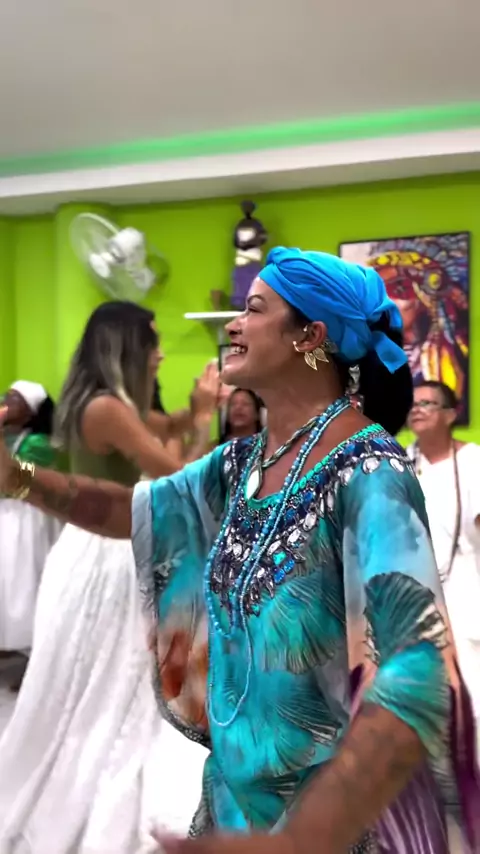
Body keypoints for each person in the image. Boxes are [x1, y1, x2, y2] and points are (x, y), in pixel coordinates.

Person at [0, 250, 479, 854]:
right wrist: (18, 477)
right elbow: (130, 510)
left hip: (331, 821)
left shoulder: (370, 472)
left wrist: (305, 837)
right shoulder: (241, 463)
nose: (232, 324)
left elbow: (417, 674)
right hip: (234, 802)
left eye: (253, 309)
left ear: (311, 337)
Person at [0, 302, 219, 854]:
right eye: (153, 341)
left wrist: (197, 411)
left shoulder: (110, 405)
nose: (160, 353)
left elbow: (171, 433)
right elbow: (175, 477)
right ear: (126, 346)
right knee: (100, 684)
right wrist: (205, 427)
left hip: (104, 548)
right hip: (108, 556)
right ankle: (86, 790)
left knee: (109, 682)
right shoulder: (107, 408)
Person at [407, 380, 480, 753]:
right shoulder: (400, 463)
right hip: (410, 602)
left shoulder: (472, 461)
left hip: (464, 597)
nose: (417, 409)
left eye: (428, 403)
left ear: (450, 415)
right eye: (414, 403)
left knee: (471, 701)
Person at [0, 382, 62, 663]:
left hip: (26, 521)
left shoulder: (38, 444)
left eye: (15, 398)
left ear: (30, 412)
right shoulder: (8, 436)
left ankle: (30, 652)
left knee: (22, 582)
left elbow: (14, 483)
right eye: (7, 394)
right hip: (6, 516)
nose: (6, 400)